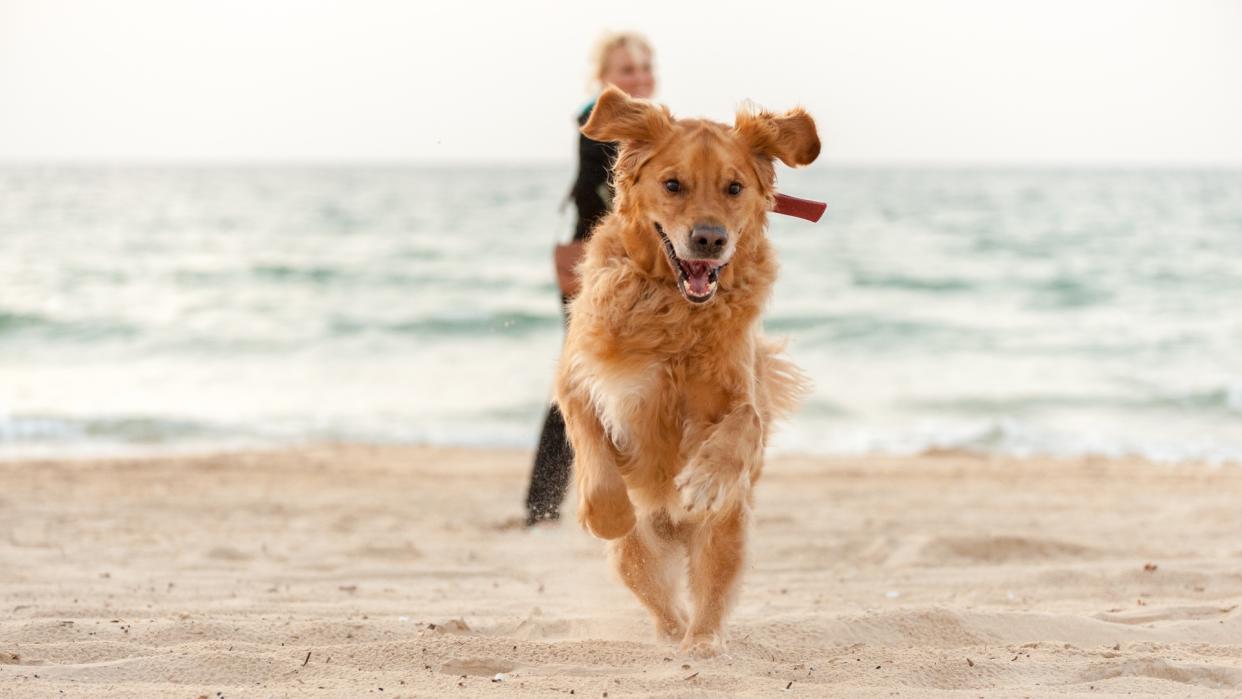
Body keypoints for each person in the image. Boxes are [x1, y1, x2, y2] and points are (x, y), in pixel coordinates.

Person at [524, 32, 657, 526]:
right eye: (626, 70)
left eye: (644, 67)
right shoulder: (596, 118)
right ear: (604, 78)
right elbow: (603, 194)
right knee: (579, 381)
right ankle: (541, 506)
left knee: (614, 379)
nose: (639, 77)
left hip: (616, 266)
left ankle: (559, 503)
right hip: (586, 266)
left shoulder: (644, 123)